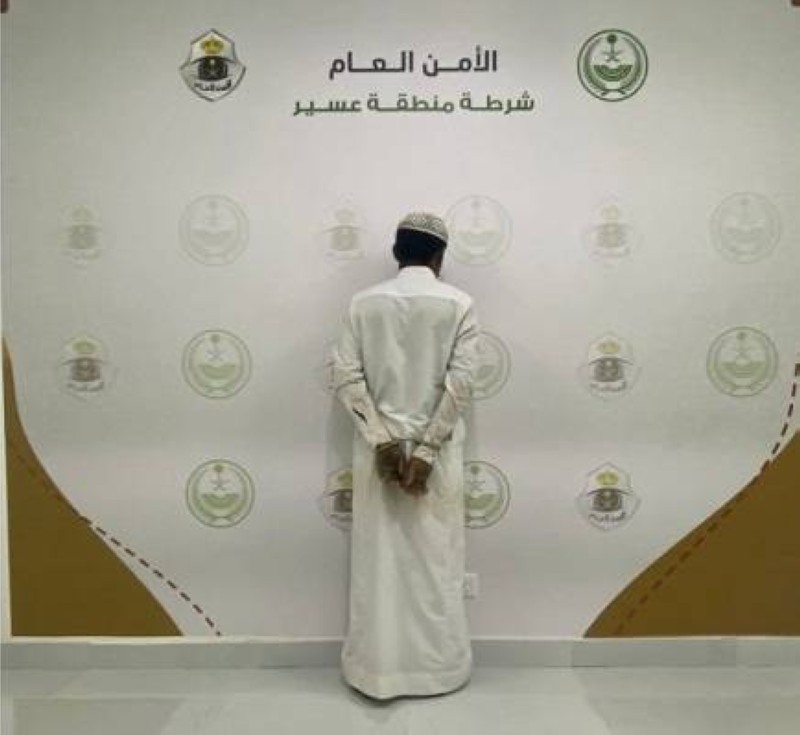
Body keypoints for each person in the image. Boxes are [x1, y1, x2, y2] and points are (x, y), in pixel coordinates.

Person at [331, 211, 480, 699]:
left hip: (378, 457)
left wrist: (383, 443)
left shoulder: (362, 303)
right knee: (437, 565)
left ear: (397, 253)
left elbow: (346, 378)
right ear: (439, 257)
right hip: (436, 458)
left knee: (377, 567)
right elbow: (461, 385)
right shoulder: (458, 304)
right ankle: (438, 671)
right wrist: (427, 450)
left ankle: (375, 671)